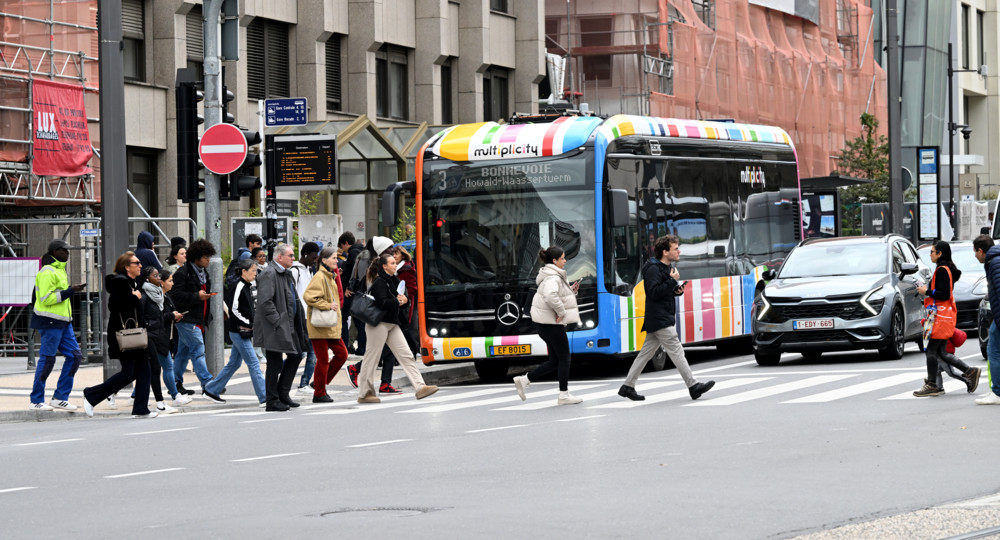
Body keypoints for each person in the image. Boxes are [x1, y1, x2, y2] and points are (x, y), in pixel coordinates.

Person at [619, 235, 715, 401]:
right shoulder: (653, 269)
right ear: (665, 252)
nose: (679, 251)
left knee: (644, 355)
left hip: (660, 317)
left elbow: (662, 291)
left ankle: (627, 386)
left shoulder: (665, 268)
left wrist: (675, 290)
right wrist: (672, 281)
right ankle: (693, 386)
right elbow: (654, 292)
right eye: (675, 248)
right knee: (676, 350)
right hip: (659, 318)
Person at [356, 252, 438, 403]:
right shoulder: (380, 281)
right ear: (384, 266)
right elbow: (382, 303)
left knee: (406, 355)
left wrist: (405, 300)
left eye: (395, 262)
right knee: (371, 358)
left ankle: (420, 387)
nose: (395, 265)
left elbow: (399, 300)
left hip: (392, 324)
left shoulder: (394, 280)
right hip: (378, 324)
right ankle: (365, 393)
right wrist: (398, 301)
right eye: (392, 263)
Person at [82, 252, 156, 418]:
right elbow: (114, 305)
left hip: (133, 334)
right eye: (136, 263)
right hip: (125, 334)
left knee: (144, 370)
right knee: (129, 373)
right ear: (126, 267)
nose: (140, 265)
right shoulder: (121, 282)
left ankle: (140, 409)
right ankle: (92, 395)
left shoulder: (131, 282)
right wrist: (134, 297)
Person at [512, 246, 583, 405]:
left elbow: (554, 295)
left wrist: (572, 291)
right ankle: (563, 395)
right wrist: (562, 312)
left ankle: (524, 380)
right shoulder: (553, 277)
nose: (565, 261)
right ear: (554, 261)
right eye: (563, 258)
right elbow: (551, 296)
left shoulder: (549, 275)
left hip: (543, 324)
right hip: (551, 324)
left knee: (555, 361)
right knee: (565, 358)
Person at [913, 241, 981, 397]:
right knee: (942, 352)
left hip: (938, 317)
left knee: (930, 350)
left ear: (939, 254)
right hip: (942, 317)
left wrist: (926, 291)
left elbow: (943, 294)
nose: (930, 254)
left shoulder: (942, 270)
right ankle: (970, 371)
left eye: (932, 252)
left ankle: (932, 385)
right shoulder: (947, 269)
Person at [28, 239, 85, 411]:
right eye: (64, 250)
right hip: (50, 322)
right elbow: (46, 299)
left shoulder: (59, 270)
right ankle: (36, 400)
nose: (67, 253)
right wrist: (70, 291)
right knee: (47, 360)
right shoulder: (47, 272)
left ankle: (60, 397)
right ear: (54, 252)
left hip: (63, 322)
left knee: (75, 356)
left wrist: (70, 291)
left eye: (68, 251)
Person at [202, 259, 267, 406]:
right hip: (239, 331)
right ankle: (264, 397)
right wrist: (249, 323)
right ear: (244, 271)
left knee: (234, 364)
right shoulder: (238, 286)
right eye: (252, 271)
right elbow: (234, 310)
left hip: (241, 330)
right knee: (254, 363)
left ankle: (211, 390)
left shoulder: (248, 285)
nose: (255, 274)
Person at [254, 243, 309, 411]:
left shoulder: (285, 273)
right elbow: (265, 301)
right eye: (290, 256)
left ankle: (282, 393)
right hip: (276, 326)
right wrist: (277, 321)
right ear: (280, 257)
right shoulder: (270, 273)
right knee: (274, 363)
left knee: (296, 355)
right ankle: (272, 400)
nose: (293, 258)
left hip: (288, 324)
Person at [347, 236, 400, 391]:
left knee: (386, 350)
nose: (392, 251)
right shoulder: (369, 261)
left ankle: (385, 383)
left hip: (384, 311)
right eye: (389, 248)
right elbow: (369, 285)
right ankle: (358, 370)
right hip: (375, 310)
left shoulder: (371, 259)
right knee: (377, 350)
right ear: (380, 249)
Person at [168, 238, 216, 397]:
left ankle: (175, 382)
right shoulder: (183, 273)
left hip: (197, 318)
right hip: (187, 319)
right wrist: (197, 296)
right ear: (196, 257)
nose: (208, 260)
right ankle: (208, 384)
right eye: (206, 257)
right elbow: (175, 296)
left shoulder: (203, 272)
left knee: (183, 352)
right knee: (198, 350)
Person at [303, 246, 349, 402]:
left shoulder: (329, 275)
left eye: (337, 258)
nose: (337, 260)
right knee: (323, 360)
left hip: (329, 324)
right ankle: (319, 392)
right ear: (324, 260)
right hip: (320, 324)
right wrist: (327, 305)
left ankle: (319, 384)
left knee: (342, 354)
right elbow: (309, 296)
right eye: (334, 258)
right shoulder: (320, 276)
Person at [137, 267, 180, 414]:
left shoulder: (159, 295)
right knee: (155, 369)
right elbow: (142, 318)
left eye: (159, 275)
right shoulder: (144, 296)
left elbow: (159, 316)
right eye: (155, 276)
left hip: (158, 336)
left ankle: (116, 394)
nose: (159, 278)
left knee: (141, 371)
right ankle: (160, 403)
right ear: (147, 279)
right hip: (148, 337)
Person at [974, 235, 1000, 404]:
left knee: (993, 350)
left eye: (975, 252)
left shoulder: (995, 263)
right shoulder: (994, 260)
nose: (975, 256)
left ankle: (997, 392)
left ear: (981, 251)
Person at [292, 242, 321, 394]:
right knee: (301, 352)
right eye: (313, 257)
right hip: (300, 318)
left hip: (310, 316)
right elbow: (291, 295)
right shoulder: (295, 270)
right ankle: (279, 372)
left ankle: (304, 383)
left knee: (312, 352)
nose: (315, 260)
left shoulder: (310, 270)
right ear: (305, 255)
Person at [338, 232, 362, 353]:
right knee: (359, 320)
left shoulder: (353, 253)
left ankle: (345, 345)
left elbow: (354, 271)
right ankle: (362, 347)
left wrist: (349, 287)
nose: (343, 250)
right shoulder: (362, 250)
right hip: (360, 291)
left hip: (352, 292)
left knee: (343, 316)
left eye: (342, 247)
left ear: (346, 243)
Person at [394, 245, 419, 353]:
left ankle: (413, 350)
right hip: (396, 302)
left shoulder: (407, 268)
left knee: (404, 328)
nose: (394, 256)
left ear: (403, 256)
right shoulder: (396, 267)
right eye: (393, 253)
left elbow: (413, 288)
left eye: (396, 253)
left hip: (405, 303)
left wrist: (405, 297)